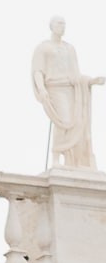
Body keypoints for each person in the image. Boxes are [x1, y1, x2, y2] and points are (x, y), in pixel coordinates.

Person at [33, 20, 102, 172]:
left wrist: (91, 81)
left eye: (64, 24)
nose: (62, 27)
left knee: (76, 122)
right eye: (59, 23)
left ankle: (71, 160)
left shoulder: (69, 49)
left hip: (71, 89)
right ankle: (56, 156)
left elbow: (76, 75)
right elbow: (38, 70)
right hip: (55, 87)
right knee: (63, 121)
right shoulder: (44, 48)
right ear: (51, 26)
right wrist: (41, 87)